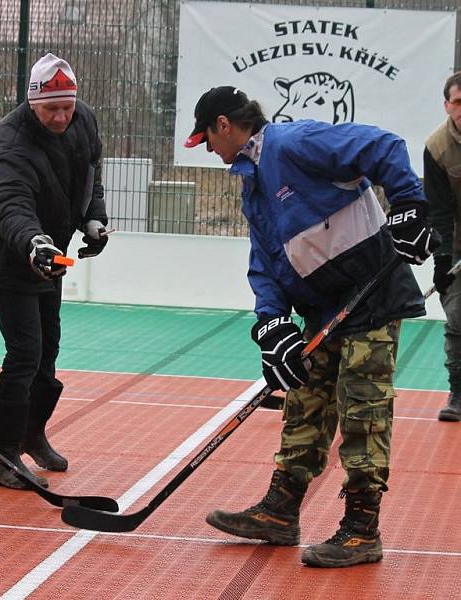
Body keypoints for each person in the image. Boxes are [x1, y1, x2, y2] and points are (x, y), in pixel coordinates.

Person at [184, 86, 439, 567]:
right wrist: (273, 325)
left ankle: (363, 530)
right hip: (323, 312)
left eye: (208, 140)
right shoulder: (254, 183)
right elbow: (266, 263)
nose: (211, 152)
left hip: (371, 299)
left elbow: (383, 146)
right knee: (304, 402)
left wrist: (408, 203)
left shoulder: (293, 143)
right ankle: (281, 511)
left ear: (224, 124)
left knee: (363, 410)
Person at [0, 53, 109, 490]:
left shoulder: (81, 120)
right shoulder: (9, 145)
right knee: (25, 352)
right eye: (51, 108)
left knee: (48, 348)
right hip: (10, 255)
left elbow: (91, 173)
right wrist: (36, 243)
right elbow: (10, 206)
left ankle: (33, 433)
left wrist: (94, 217)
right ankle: (3, 455)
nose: (61, 116)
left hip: (53, 252)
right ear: (32, 102)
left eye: (67, 107)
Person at [425, 71, 461, 422]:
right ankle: (458, 394)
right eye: (458, 102)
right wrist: (443, 258)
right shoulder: (437, 147)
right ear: (447, 106)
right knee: (457, 320)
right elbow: (438, 210)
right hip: (457, 244)